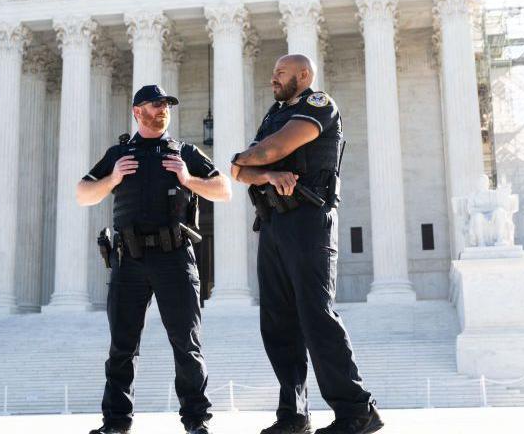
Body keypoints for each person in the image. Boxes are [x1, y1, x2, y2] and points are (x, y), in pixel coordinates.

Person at [231, 55, 383, 434]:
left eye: (280, 72)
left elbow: (263, 152)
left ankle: (357, 411)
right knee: (278, 323)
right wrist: (264, 171)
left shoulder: (319, 106)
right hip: (273, 222)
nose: (273, 78)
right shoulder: (273, 115)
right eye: (273, 71)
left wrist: (249, 161)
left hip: (308, 220)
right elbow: (243, 173)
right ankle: (293, 415)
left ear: (303, 75)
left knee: (316, 316)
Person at [79, 84, 232, 434]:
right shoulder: (118, 154)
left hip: (174, 257)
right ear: (137, 111)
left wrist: (188, 178)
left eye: (165, 105)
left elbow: (223, 190)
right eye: (154, 104)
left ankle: (196, 421)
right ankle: (116, 423)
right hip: (129, 259)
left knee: (186, 343)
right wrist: (113, 178)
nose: (162, 110)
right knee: (122, 347)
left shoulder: (184, 152)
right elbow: (82, 194)